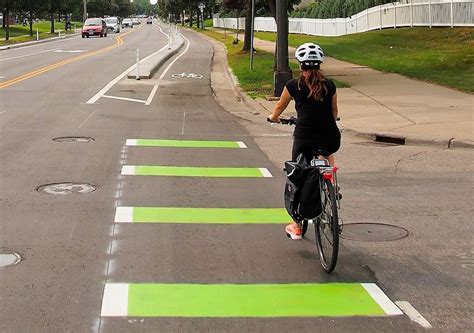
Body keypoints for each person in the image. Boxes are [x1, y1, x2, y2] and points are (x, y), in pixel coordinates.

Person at [268, 43, 341, 240]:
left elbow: (279, 106)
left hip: (304, 138)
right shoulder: (330, 85)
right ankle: (330, 185)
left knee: (298, 175)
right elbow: (334, 112)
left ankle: (297, 226)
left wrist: (273, 118)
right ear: (319, 64)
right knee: (326, 150)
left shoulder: (294, 85)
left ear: (301, 65)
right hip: (330, 136)